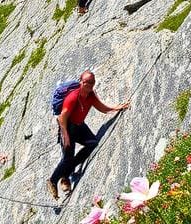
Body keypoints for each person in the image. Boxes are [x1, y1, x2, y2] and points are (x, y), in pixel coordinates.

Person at [47, 70, 129, 200]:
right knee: (67, 157)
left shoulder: (91, 96)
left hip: (79, 126)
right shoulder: (73, 97)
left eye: (92, 82)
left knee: (92, 143)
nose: (90, 84)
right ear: (81, 81)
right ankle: (52, 180)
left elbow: (102, 108)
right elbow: (62, 118)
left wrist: (117, 108)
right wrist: (66, 136)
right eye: (87, 82)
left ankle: (65, 175)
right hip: (68, 128)